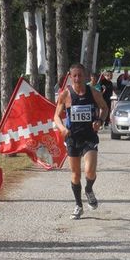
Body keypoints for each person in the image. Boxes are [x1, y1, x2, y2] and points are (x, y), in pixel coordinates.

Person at [54, 63, 108, 220]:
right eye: (74, 76)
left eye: (80, 75)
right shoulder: (66, 94)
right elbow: (56, 116)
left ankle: (89, 189)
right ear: (70, 77)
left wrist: (99, 120)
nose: (77, 78)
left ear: (85, 76)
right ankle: (78, 205)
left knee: (90, 171)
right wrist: (62, 129)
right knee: (76, 174)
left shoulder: (94, 92)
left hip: (89, 136)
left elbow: (104, 108)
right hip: (73, 138)